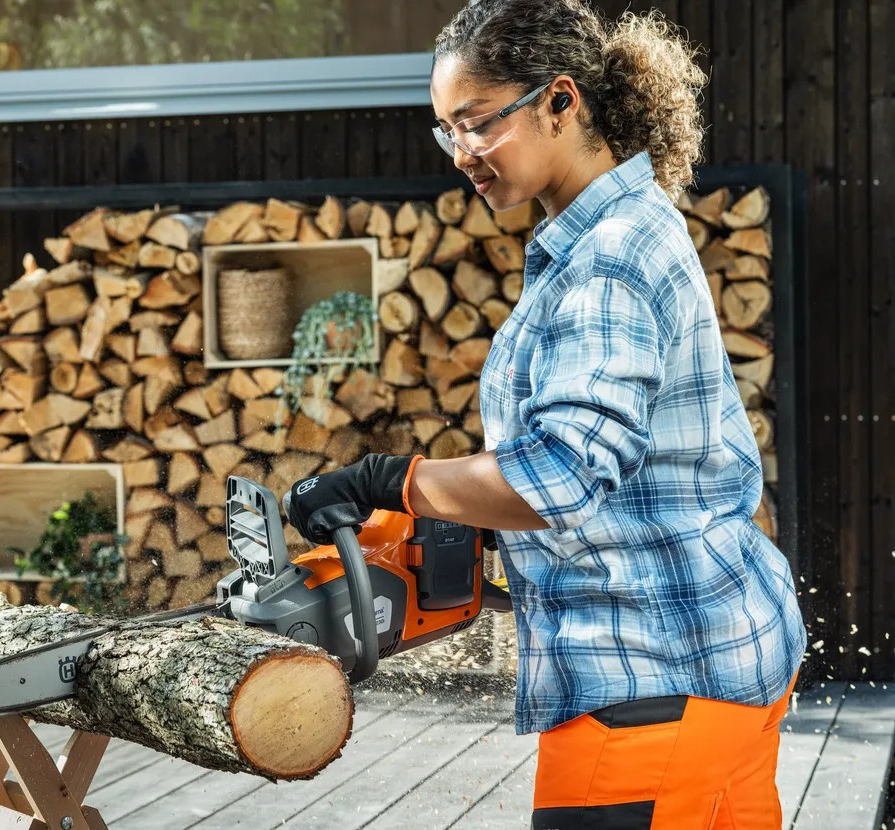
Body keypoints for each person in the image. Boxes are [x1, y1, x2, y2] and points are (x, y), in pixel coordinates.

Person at [283, 1, 808, 827]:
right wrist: (468, 530)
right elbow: (630, 473)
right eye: (444, 131)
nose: (461, 153)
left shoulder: (605, 261)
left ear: (560, 101)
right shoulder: (618, 231)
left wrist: (391, 480)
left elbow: (559, 476)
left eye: (476, 123)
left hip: (646, 688)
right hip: (721, 662)